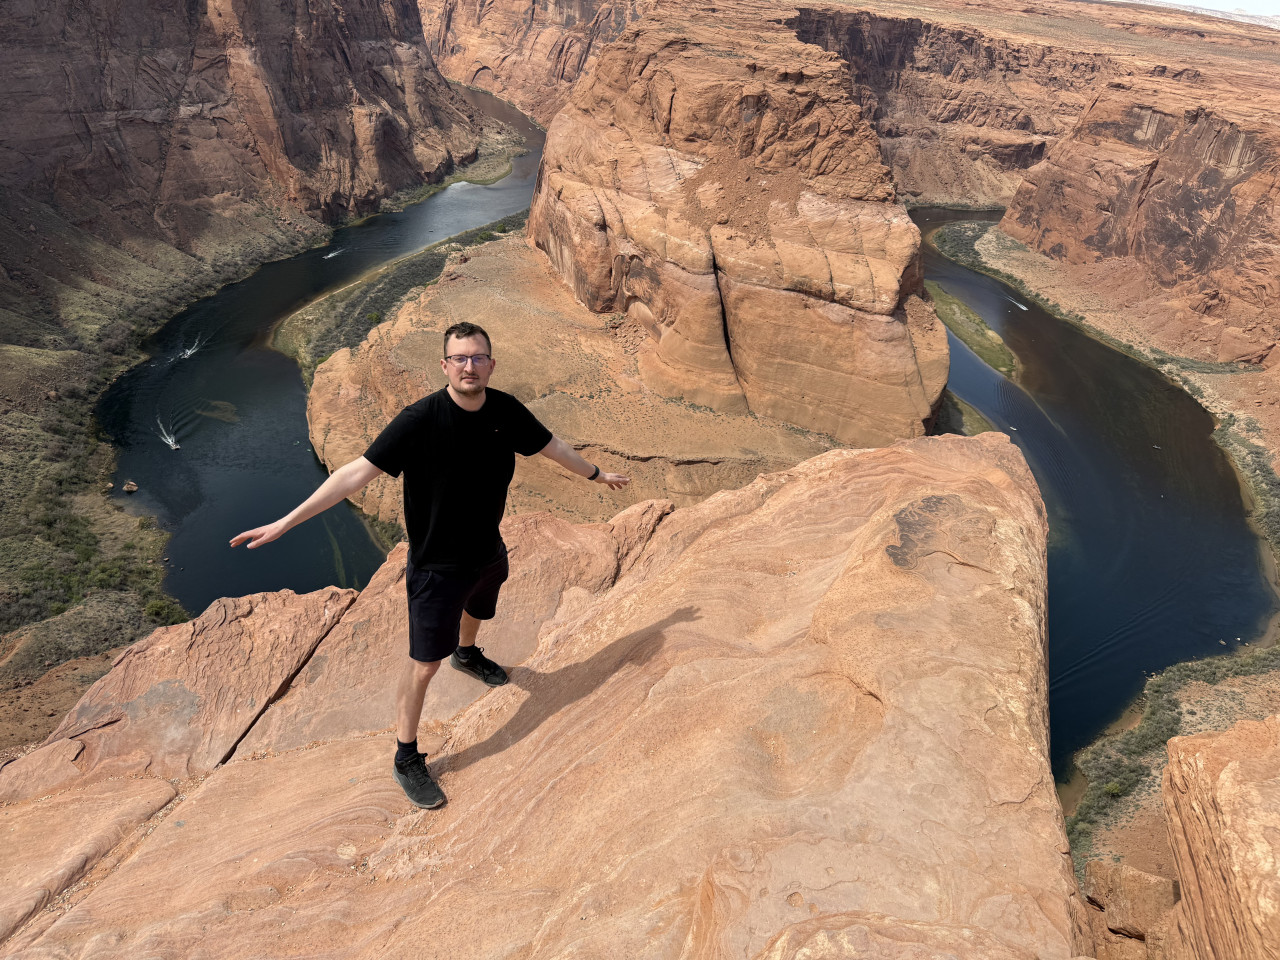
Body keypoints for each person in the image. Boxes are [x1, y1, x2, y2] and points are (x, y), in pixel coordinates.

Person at [230, 321, 629, 808]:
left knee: (480, 610)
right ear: (444, 365)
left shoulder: (505, 410)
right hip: (436, 567)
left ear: (491, 364)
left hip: (487, 550)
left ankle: (467, 653)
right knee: (423, 666)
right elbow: (355, 473)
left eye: (477, 357)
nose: (469, 366)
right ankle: (406, 756)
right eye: (459, 358)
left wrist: (596, 474)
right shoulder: (420, 420)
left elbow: (550, 447)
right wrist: (286, 522)